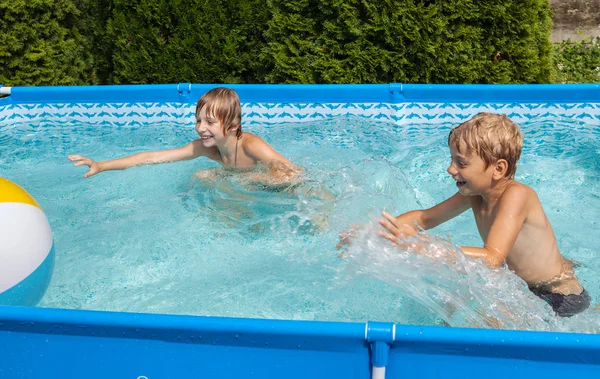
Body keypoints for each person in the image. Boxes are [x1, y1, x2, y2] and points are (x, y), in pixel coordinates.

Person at [339, 112, 590, 318]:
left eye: (461, 163)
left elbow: (492, 258)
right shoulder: (475, 193)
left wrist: (423, 246)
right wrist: (375, 231)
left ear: (498, 169)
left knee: (483, 320)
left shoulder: (517, 195)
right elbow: (425, 219)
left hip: (559, 296)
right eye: (452, 160)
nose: (450, 169)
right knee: (452, 303)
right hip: (525, 287)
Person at [68, 87, 301, 185]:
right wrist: (101, 165)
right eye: (198, 120)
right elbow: (151, 157)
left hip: (281, 188)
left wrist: (247, 180)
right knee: (203, 177)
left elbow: (293, 174)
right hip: (249, 183)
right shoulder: (205, 147)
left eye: (210, 122)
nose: (201, 128)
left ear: (232, 125)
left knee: (212, 177)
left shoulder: (251, 145)